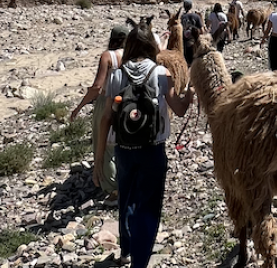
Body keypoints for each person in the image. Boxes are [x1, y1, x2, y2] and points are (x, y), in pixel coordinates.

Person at [93, 28, 195, 268]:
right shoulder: (162, 73)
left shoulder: (116, 75)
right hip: (153, 149)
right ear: (152, 46)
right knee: (148, 207)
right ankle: (140, 261)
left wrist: (98, 162)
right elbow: (179, 110)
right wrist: (189, 95)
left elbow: (106, 118)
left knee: (126, 200)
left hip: (124, 149)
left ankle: (126, 250)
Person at [69, 24, 130, 198]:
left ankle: (110, 185)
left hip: (107, 101)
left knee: (105, 143)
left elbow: (97, 86)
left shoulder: (108, 56)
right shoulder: (133, 56)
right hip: (129, 101)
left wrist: (79, 106)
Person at [179, 0, 203, 65]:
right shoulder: (196, 16)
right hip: (194, 43)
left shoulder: (181, 17)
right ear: (191, 6)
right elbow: (202, 31)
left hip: (184, 43)